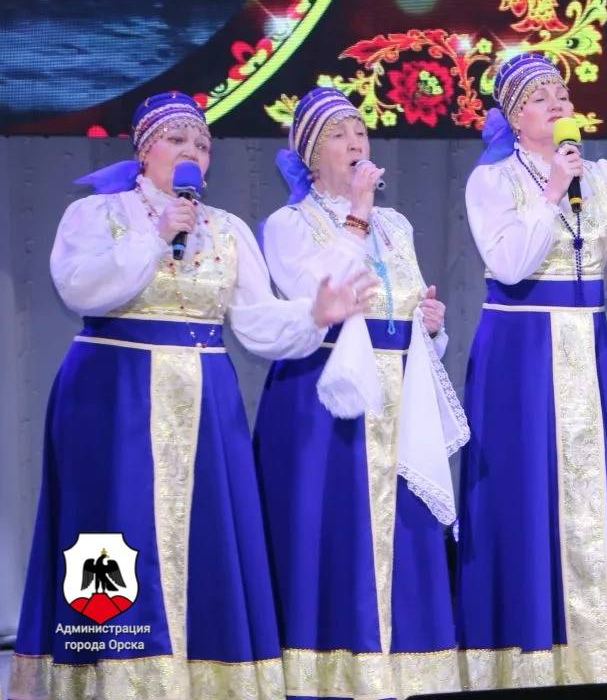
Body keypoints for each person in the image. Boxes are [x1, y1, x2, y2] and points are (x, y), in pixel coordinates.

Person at [9, 92, 368, 700]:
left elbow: (255, 322)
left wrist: (314, 313)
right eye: (177, 140)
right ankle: (109, 673)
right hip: (113, 391)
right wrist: (156, 237)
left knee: (207, 531)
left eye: (202, 145)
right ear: (144, 150)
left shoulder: (226, 229)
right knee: (111, 526)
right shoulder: (98, 215)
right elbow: (80, 287)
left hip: (205, 398)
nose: (192, 153)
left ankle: (203, 675)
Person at [455, 52, 607, 689]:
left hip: (586, 343)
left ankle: (596, 653)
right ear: (514, 118)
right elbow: (511, 265)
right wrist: (549, 194)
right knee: (525, 486)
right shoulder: (491, 182)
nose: (559, 105)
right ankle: (521, 656)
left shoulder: (601, 176)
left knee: (589, 487)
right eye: (541, 98)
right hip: (520, 350)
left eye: (562, 94)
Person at [254, 87, 469, 699]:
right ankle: (331, 674)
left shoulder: (395, 225)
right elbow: (318, 291)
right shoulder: (289, 224)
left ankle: (409, 671)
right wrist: (356, 213)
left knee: (405, 528)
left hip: (399, 395)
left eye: (360, 132)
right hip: (326, 397)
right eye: (338, 134)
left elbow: (406, 309)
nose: (355, 142)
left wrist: (431, 325)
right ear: (309, 154)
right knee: (333, 531)